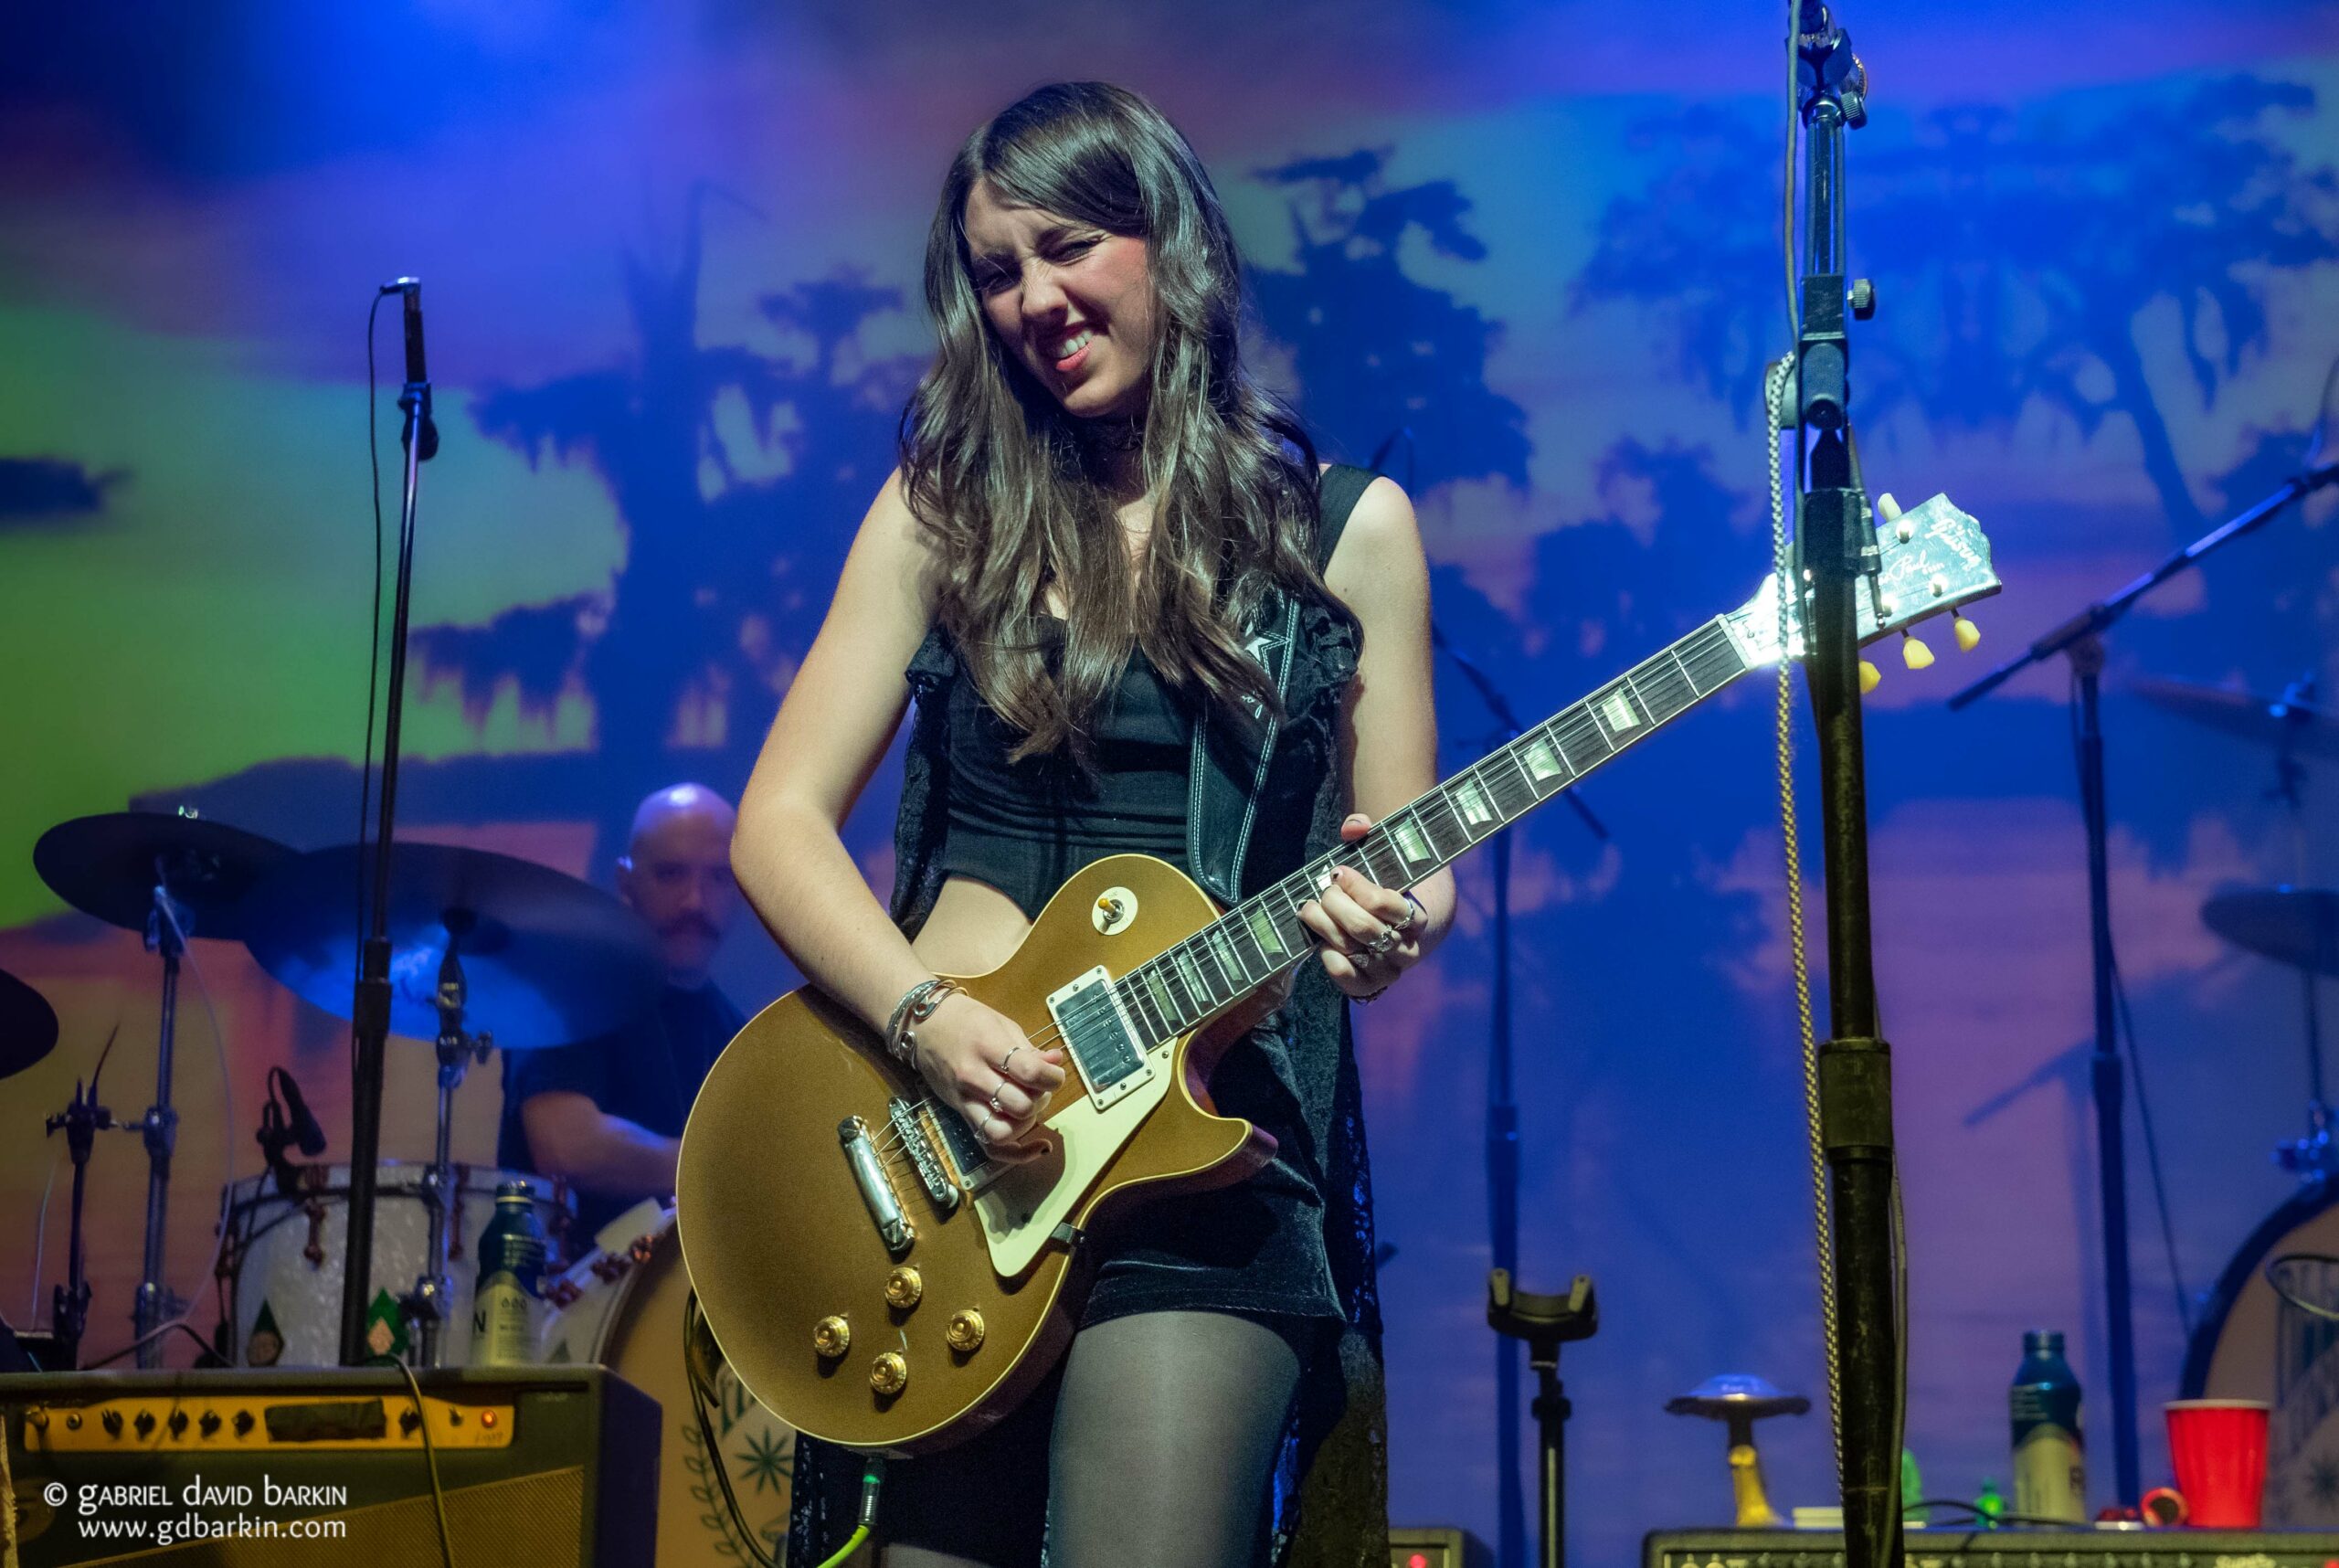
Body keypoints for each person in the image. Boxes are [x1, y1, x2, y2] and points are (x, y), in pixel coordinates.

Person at [733, 82, 1454, 1568]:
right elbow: (778, 824)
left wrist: (1394, 922)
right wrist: (925, 1018)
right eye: (998, 271)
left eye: (1068, 248)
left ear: (1170, 242)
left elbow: (1411, 853)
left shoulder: (1347, 530)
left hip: (1211, 1160)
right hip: (955, 1155)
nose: (1035, 300)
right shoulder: (944, 513)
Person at [496, 781, 746, 1246]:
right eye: (671, 874)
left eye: (718, 878)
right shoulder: (569, 987)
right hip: (560, 1286)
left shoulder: (743, 1037)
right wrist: (724, 1171)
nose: (695, 901)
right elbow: (566, 1147)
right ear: (625, 880)